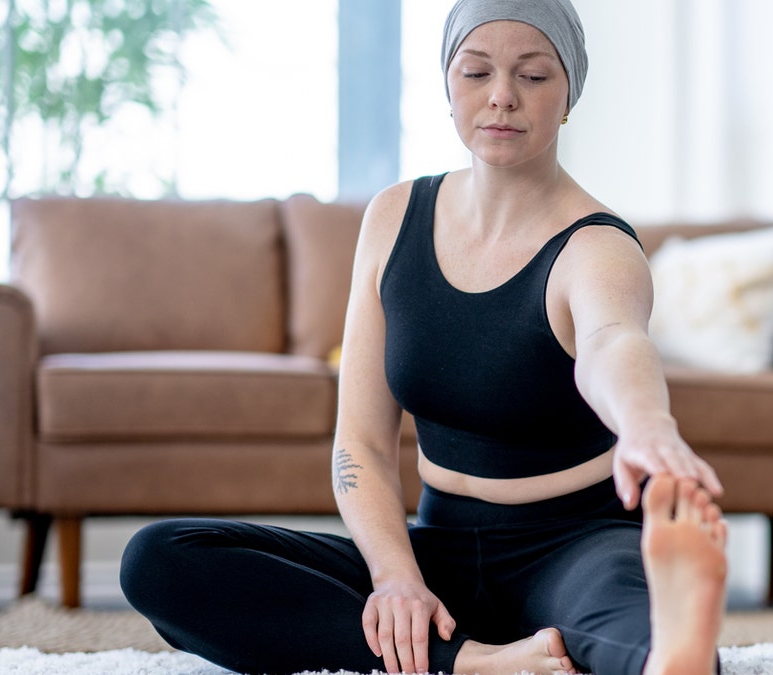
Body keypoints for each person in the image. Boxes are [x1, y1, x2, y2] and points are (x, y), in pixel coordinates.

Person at [120, 1, 729, 673]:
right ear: (447, 84)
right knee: (161, 560)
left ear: (568, 95)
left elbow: (612, 341)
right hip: (433, 546)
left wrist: (646, 426)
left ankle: (674, 652)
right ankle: (472, 661)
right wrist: (395, 577)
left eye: (533, 76)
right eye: (476, 72)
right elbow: (362, 440)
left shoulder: (596, 245)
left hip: (575, 546)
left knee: (634, 634)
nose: (501, 96)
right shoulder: (392, 218)